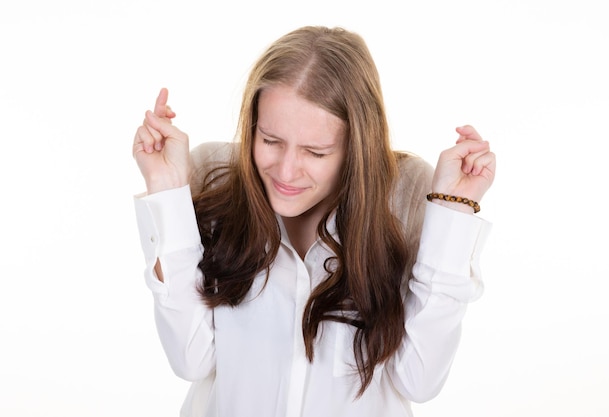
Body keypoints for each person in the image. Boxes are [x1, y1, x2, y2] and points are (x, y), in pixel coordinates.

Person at [132, 26, 495, 417]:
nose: (286, 171)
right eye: (270, 140)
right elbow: (190, 359)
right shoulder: (213, 177)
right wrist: (166, 189)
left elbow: (420, 380)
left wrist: (453, 212)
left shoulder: (407, 196)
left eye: (315, 152)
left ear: (357, 149)